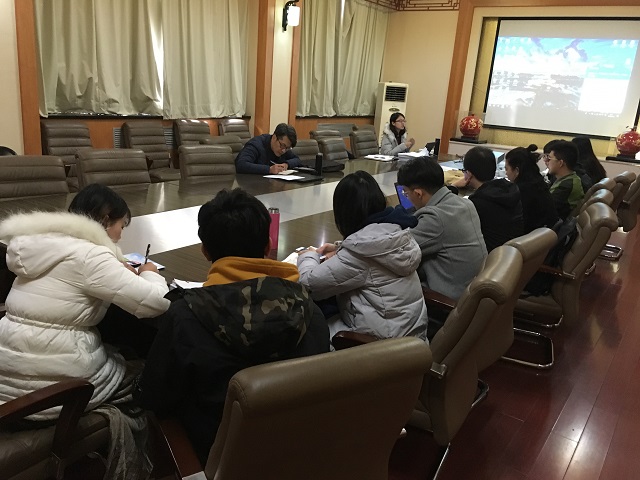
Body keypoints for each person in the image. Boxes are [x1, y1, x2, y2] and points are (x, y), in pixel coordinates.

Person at [136, 188, 329, 464]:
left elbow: (155, 397)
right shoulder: (309, 309)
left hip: (215, 458)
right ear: (268, 246)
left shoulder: (185, 317)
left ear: (205, 251)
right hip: (301, 453)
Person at [0, 183, 170, 479]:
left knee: (115, 347)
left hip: (6, 379)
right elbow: (155, 303)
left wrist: (115, 270)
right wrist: (150, 274)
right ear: (105, 219)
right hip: (47, 397)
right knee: (144, 371)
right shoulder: (91, 255)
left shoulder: (41, 245)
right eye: (121, 226)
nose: (120, 235)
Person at [297, 171, 428, 341]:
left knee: (305, 322)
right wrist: (340, 248)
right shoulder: (398, 233)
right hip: (412, 337)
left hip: (380, 346)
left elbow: (307, 284)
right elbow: (371, 246)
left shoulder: (360, 256)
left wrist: (309, 255)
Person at [397, 156, 487, 301]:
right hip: (471, 291)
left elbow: (397, 250)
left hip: (448, 302)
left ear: (418, 193)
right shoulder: (465, 204)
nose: (406, 197)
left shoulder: (435, 218)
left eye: (406, 193)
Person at [457, 146, 524, 252]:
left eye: (464, 171)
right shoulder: (510, 191)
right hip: (509, 256)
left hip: (488, 257)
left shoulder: (477, 203)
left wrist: (452, 187)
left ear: (469, 174)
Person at [505, 144, 560, 233]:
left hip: (531, 236)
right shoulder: (538, 183)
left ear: (517, 171)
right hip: (543, 234)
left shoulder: (523, 191)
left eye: (506, 169)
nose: (506, 173)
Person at [234, 123, 302, 174]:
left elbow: (297, 159)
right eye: (282, 145)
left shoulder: (284, 148)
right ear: (274, 137)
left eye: (287, 148)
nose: (283, 150)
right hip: (251, 184)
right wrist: (269, 169)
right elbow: (241, 165)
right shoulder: (256, 145)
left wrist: (287, 164)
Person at [546, 139, 585, 219]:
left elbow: (546, 209)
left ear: (560, 163)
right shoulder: (569, 179)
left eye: (549, 158)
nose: (547, 162)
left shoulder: (566, 185)